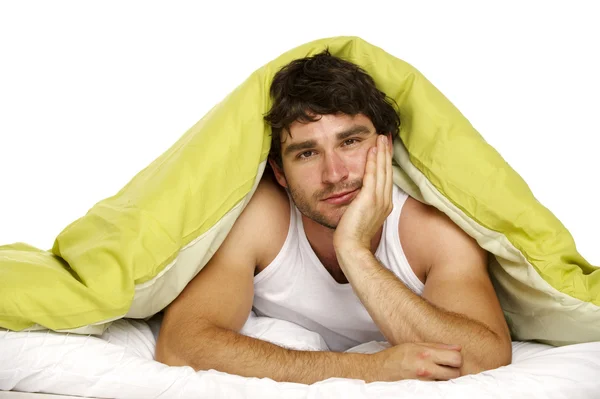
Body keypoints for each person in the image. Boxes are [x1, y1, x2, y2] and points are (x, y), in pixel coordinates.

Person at [155, 49, 512, 383]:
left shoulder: (430, 229)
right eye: (307, 153)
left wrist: (355, 251)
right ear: (280, 173)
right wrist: (369, 368)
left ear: (385, 146)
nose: (334, 174)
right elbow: (181, 346)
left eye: (350, 142)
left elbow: (483, 359)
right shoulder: (261, 218)